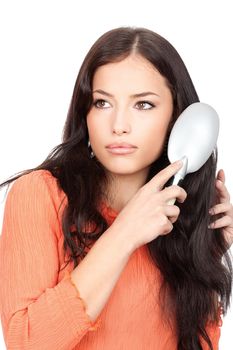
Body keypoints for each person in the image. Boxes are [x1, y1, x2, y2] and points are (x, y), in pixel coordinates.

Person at [0, 26, 232, 350]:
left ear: (177, 118)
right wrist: (125, 233)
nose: (119, 125)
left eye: (144, 105)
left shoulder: (180, 222)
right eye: (102, 103)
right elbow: (27, 342)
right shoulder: (39, 195)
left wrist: (206, 256)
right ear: (86, 113)